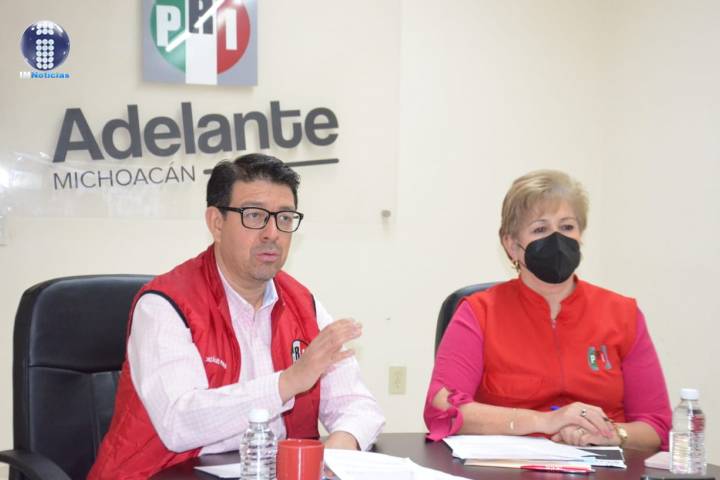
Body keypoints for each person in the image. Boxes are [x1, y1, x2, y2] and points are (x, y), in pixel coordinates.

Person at [89, 154, 385, 479]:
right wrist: (288, 382)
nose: (272, 233)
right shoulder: (165, 305)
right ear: (216, 223)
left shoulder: (304, 305)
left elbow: (359, 406)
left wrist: (335, 452)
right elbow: (179, 422)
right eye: (255, 215)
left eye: (285, 218)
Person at [423, 170, 671, 450]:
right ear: (512, 246)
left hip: (603, 465)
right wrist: (544, 421)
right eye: (540, 230)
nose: (557, 240)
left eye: (567, 227)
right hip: (508, 464)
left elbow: (657, 426)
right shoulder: (479, 312)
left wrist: (614, 434)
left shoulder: (622, 314)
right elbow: (442, 408)